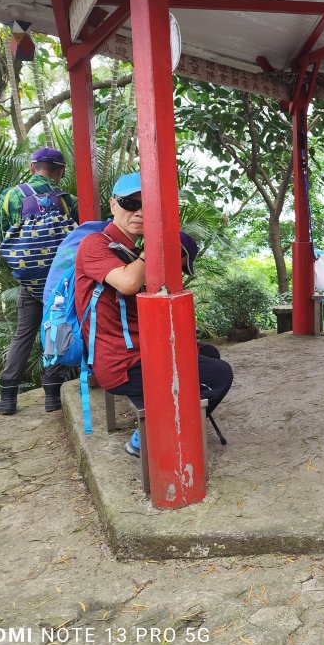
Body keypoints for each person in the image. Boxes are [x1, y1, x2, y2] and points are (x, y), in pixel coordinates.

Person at [74, 173, 233, 458]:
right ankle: (145, 436)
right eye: (129, 203)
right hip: (121, 362)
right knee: (219, 375)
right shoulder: (95, 245)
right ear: (113, 205)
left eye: (147, 206)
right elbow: (127, 283)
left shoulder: (131, 251)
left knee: (208, 354)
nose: (139, 212)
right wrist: (159, 246)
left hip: (138, 351)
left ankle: (175, 415)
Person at [0, 147, 78, 415]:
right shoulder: (67, 199)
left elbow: (3, 236)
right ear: (61, 172)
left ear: (32, 168)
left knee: (24, 334)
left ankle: (8, 397)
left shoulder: (10, 197)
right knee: (57, 327)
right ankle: (52, 394)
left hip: (29, 281)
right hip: (60, 282)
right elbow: (76, 240)